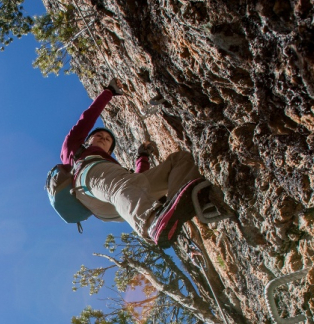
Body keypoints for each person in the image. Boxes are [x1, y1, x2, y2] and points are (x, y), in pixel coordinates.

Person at [61, 80, 212, 244]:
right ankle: (151, 222)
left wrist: (143, 157)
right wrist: (108, 92)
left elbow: (138, 183)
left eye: (108, 140)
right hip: (88, 186)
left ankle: (196, 204)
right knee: (121, 185)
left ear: (109, 152)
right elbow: (87, 119)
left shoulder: (112, 168)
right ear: (87, 140)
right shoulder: (74, 150)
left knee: (179, 160)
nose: (103, 139)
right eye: (99, 136)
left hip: (119, 206)